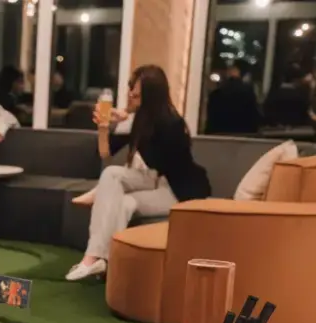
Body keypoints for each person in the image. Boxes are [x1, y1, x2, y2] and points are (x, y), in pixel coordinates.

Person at [66, 64, 211, 282]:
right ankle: (105, 263)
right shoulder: (137, 119)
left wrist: (130, 121)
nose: (130, 98)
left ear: (151, 97)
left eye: (136, 95)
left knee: (113, 179)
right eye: (130, 92)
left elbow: (160, 165)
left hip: (177, 190)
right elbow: (105, 152)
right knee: (120, 199)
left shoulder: (171, 123)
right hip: (153, 183)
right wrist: (104, 126)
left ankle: (94, 257)